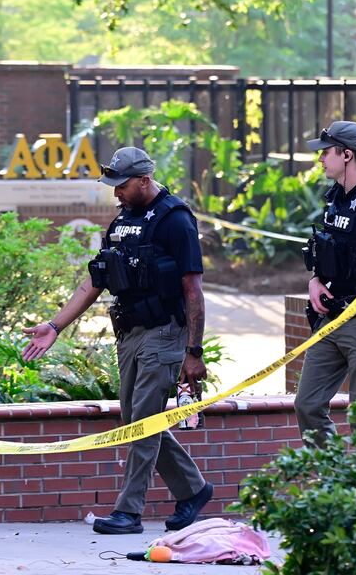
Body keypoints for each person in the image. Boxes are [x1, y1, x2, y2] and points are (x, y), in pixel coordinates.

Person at [21, 146, 214, 535]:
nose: (115, 194)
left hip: (165, 333)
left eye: (121, 186)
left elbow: (193, 290)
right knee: (135, 419)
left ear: (144, 180)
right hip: (129, 333)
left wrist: (194, 353)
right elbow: (95, 280)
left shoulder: (175, 221)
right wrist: (54, 326)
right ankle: (193, 490)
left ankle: (129, 512)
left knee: (143, 420)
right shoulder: (123, 220)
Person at [296, 121, 356, 447]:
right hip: (331, 319)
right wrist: (314, 282)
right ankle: (333, 483)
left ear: (347, 154)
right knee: (307, 405)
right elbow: (327, 251)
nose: (321, 159)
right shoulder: (336, 195)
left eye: (326, 152)